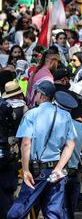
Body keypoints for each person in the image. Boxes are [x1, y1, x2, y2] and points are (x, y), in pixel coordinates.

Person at [7, 83, 77, 219]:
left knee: (17, 212)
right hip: (56, 171)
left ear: (41, 95)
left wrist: (26, 170)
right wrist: (59, 168)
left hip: (36, 170)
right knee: (53, 213)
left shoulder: (31, 114)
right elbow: (71, 145)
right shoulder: (65, 116)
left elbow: (26, 144)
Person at [0, 81, 26, 216]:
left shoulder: (3, 107)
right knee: (11, 186)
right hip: (14, 150)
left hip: (4, 149)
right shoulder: (23, 108)